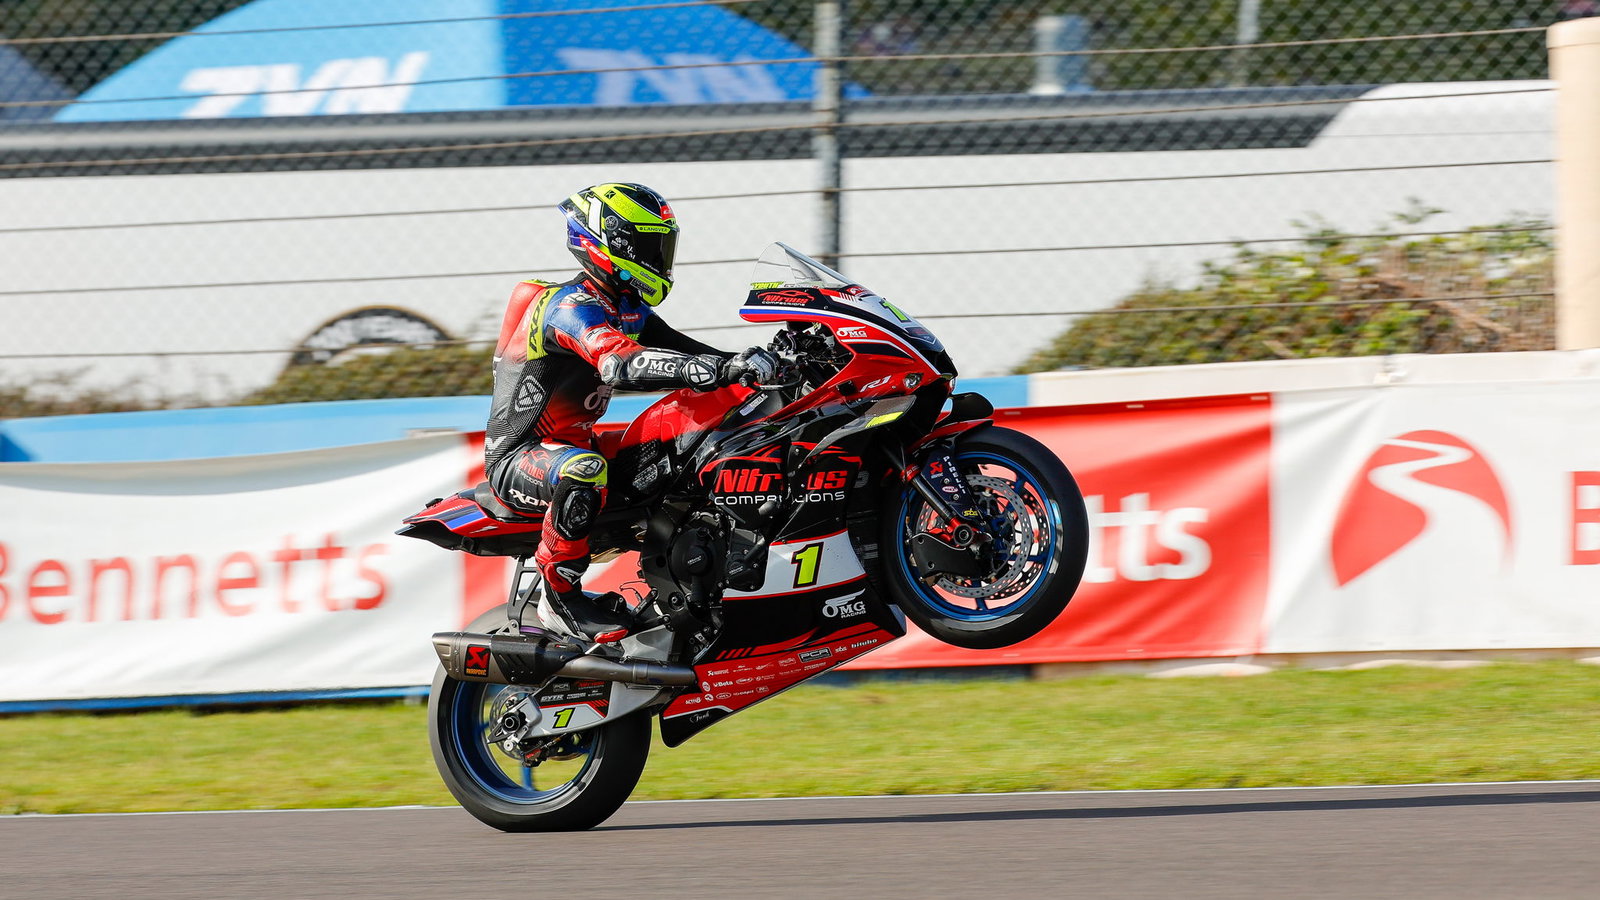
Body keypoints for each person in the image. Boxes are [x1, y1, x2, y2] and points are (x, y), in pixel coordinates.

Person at [484, 182, 779, 641]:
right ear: (613, 242)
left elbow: (696, 354)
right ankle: (558, 594)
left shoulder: (627, 308)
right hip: (519, 458)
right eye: (649, 243)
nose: (659, 255)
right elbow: (620, 363)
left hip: (579, 444)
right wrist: (712, 369)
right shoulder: (567, 306)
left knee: (686, 444)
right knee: (583, 469)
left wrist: (761, 366)